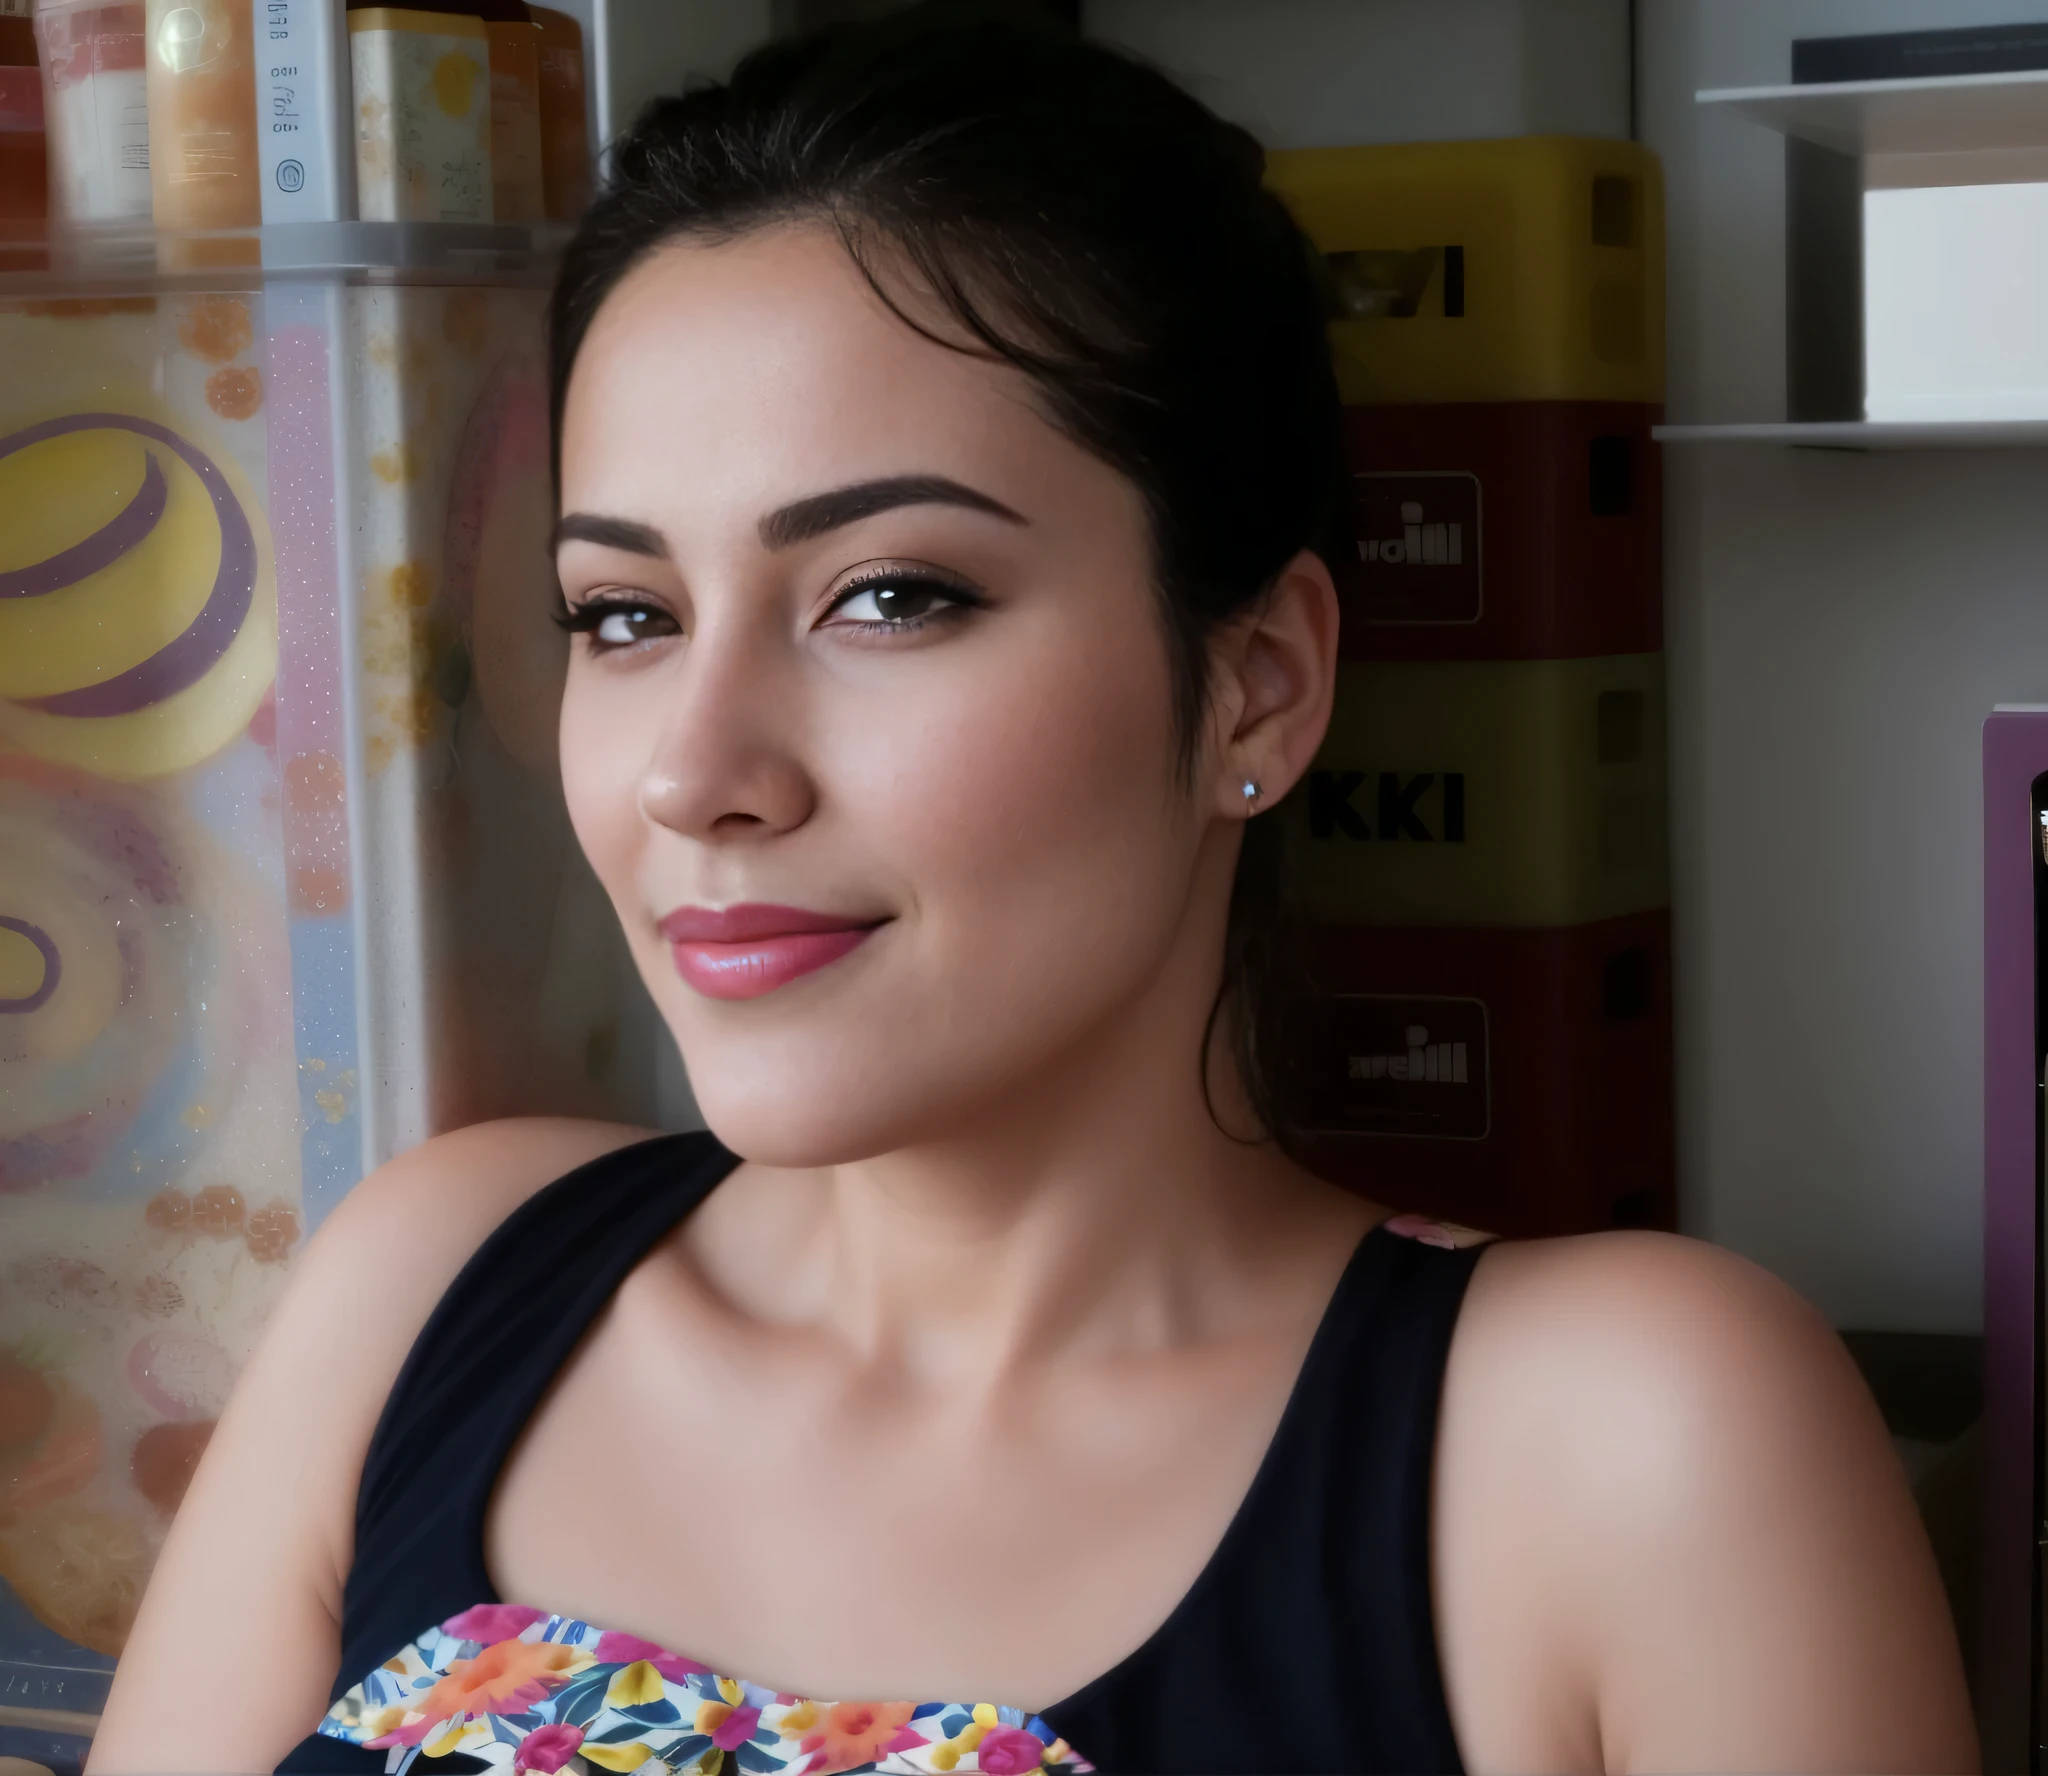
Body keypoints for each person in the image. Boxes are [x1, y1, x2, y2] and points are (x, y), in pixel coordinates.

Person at [89, 9, 1977, 1773]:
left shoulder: (1627, 1441)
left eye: (892, 594)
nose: (695, 771)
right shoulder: (435, 1280)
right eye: (627, 615)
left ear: (1261, 679)